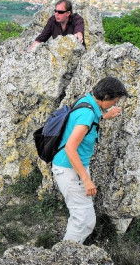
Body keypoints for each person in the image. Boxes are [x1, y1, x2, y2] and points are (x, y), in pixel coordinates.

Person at [52, 76, 129, 244]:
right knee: (84, 221)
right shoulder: (88, 114)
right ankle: (65, 257)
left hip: (70, 166)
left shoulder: (87, 102)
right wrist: (86, 180)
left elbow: (85, 121)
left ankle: (69, 250)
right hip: (70, 169)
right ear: (106, 97)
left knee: (81, 216)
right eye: (114, 101)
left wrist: (105, 116)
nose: (115, 105)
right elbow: (70, 148)